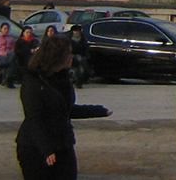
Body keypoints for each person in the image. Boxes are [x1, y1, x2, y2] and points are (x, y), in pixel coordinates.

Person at [16, 34, 111, 180]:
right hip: (35, 146)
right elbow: (34, 119)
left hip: (62, 143)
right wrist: (46, 149)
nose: (72, 57)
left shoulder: (62, 78)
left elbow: (65, 110)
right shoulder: (33, 81)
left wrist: (98, 111)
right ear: (58, 56)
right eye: (68, 54)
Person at [7, 25, 38, 90]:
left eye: (30, 32)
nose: (29, 34)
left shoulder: (34, 41)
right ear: (23, 33)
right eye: (27, 32)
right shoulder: (19, 41)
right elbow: (17, 51)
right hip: (22, 58)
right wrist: (29, 51)